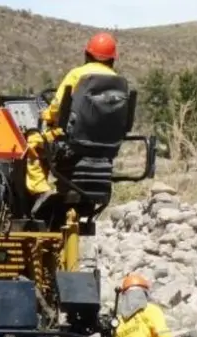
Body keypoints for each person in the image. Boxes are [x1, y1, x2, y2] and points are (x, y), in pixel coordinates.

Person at [26, 31, 120, 216]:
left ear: (87, 54)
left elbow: (58, 106)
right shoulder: (117, 81)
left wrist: (47, 116)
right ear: (112, 60)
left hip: (72, 141)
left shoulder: (78, 74)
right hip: (104, 146)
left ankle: (40, 192)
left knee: (33, 143)